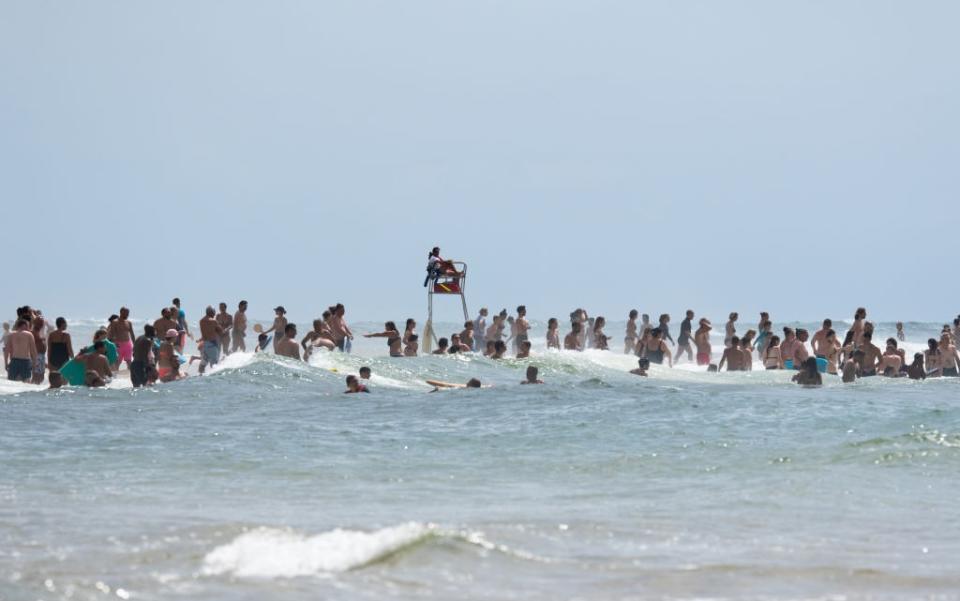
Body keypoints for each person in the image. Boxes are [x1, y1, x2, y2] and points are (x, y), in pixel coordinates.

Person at [198, 306, 225, 373]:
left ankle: (200, 376)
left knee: (203, 362)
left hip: (205, 344)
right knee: (214, 365)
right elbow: (221, 331)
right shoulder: (213, 321)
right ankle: (213, 381)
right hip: (212, 345)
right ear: (212, 312)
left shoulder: (201, 321)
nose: (214, 314)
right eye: (214, 313)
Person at [107, 307, 135, 371]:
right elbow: (111, 334)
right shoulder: (114, 322)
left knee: (129, 361)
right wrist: (114, 343)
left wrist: (134, 344)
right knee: (117, 362)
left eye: (128, 313)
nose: (127, 315)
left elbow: (132, 334)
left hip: (128, 344)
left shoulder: (129, 322)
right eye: (125, 313)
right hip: (118, 344)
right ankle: (116, 379)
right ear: (121, 312)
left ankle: (130, 376)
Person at [31, 317, 47, 384]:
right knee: (36, 377)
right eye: (40, 322)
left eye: (42, 322)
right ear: (35, 323)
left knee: (41, 377)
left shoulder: (38, 332)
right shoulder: (33, 332)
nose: (41, 323)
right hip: (37, 356)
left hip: (41, 356)